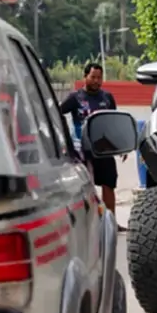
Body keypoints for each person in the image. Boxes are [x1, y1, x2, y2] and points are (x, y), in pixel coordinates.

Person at [59, 62, 126, 231]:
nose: (96, 81)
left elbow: (113, 123)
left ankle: (111, 223)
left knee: (109, 185)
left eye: (99, 78)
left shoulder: (107, 98)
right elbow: (56, 114)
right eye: (93, 77)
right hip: (83, 151)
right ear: (85, 77)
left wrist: (120, 146)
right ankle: (88, 225)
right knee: (86, 188)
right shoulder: (75, 98)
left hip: (104, 150)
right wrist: (64, 140)